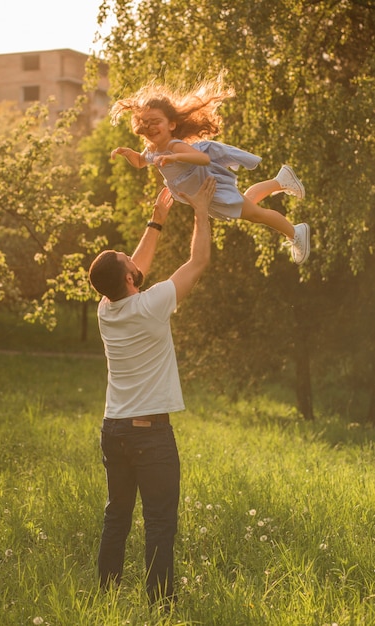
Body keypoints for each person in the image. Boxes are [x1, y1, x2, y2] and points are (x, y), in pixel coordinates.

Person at [88, 177, 216, 607]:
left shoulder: (107, 309)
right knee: (160, 521)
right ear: (129, 276)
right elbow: (198, 262)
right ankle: (160, 606)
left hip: (114, 430)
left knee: (117, 515)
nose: (134, 260)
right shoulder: (153, 303)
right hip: (149, 435)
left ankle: (105, 598)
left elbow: (130, 269)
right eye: (129, 261)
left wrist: (156, 223)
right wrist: (201, 209)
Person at [110, 78, 310, 264]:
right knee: (248, 205)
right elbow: (139, 161)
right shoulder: (153, 150)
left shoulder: (173, 146)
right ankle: (281, 181)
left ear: (171, 124)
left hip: (210, 187)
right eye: (146, 123)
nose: (151, 127)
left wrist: (175, 157)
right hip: (205, 192)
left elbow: (202, 159)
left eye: (156, 121)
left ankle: (295, 232)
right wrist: (127, 153)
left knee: (256, 214)